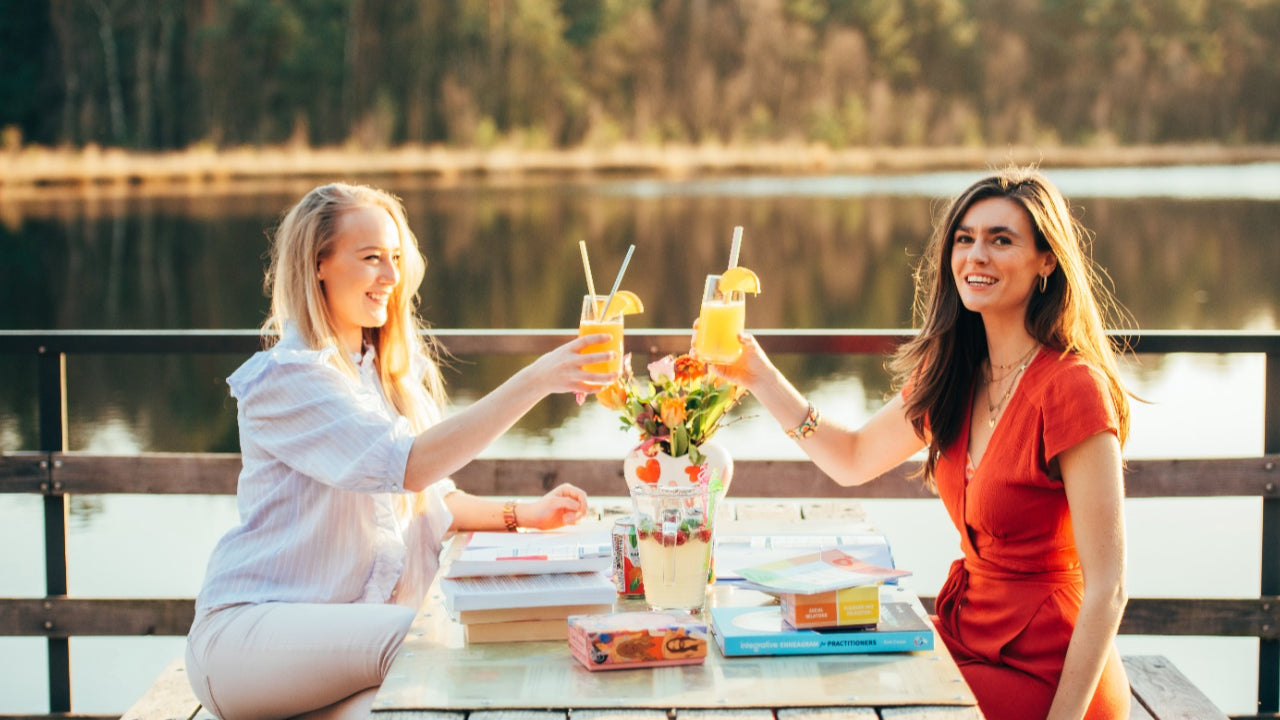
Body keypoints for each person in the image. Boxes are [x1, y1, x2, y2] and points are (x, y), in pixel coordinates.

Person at [709, 168, 1132, 720]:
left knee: (863, 705)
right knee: (813, 670)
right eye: (965, 238)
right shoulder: (956, 372)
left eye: (1001, 240)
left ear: (1046, 260)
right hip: (968, 640)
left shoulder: (1072, 387)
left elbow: (1110, 587)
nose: (976, 255)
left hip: (1051, 676)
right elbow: (854, 458)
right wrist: (760, 375)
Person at [186, 182, 615, 720]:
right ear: (318, 264)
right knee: (420, 638)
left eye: (394, 258)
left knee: (405, 711)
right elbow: (410, 467)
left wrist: (524, 514)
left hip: (341, 651)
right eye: (370, 259)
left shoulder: (380, 376)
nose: (391, 276)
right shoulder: (288, 379)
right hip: (247, 642)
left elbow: (429, 499)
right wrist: (537, 378)